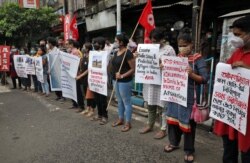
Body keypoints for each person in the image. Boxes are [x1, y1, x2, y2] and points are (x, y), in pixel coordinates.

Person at [164, 28, 208, 163]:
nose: (182, 48)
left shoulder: (197, 59)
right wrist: (164, 66)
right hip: (174, 96)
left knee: (188, 124)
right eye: (180, 45)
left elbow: (205, 79)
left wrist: (192, 74)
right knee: (173, 121)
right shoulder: (176, 58)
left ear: (191, 45)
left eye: (184, 45)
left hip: (189, 98)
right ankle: (174, 142)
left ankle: (189, 150)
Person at [213, 15, 250, 163]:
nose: (235, 39)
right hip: (232, 111)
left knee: (247, 152)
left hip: (247, 116)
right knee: (229, 148)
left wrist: (247, 69)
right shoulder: (237, 52)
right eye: (234, 35)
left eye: (239, 35)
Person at [139, 28, 176, 139]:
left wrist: (164, 65)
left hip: (162, 83)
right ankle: (149, 124)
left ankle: (163, 129)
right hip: (150, 82)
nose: (154, 43)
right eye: (152, 40)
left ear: (162, 39)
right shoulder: (148, 48)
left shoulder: (169, 50)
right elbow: (143, 62)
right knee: (150, 104)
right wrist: (139, 56)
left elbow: (174, 66)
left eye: (156, 41)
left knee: (162, 107)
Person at [111, 33, 135, 132]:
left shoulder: (128, 53)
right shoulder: (116, 52)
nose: (114, 42)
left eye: (116, 41)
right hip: (115, 80)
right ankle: (121, 119)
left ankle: (128, 123)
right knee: (119, 101)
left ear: (121, 42)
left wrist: (122, 75)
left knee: (126, 102)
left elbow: (133, 69)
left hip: (125, 81)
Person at [91, 37, 109, 125]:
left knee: (103, 100)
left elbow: (107, 67)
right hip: (95, 79)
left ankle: (105, 116)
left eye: (96, 43)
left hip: (102, 80)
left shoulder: (106, 54)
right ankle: (99, 114)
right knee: (97, 98)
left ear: (101, 45)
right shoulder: (93, 54)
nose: (95, 45)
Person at [76, 42, 96, 117]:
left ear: (87, 49)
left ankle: (92, 109)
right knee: (86, 94)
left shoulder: (91, 56)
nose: (83, 48)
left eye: (84, 47)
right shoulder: (84, 55)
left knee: (91, 95)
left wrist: (80, 75)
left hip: (89, 78)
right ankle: (88, 108)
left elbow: (88, 69)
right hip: (84, 78)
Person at [67, 39, 85, 112]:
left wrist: (78, 72)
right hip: (71, 72)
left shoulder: (76, 52)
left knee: (77, 90)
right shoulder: (71, 51)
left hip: (75, 73)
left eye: (67, 44)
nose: (66, 45)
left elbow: (79, 62)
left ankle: (81, 106)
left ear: (71, 44)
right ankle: (75, 104)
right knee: (73, 89)